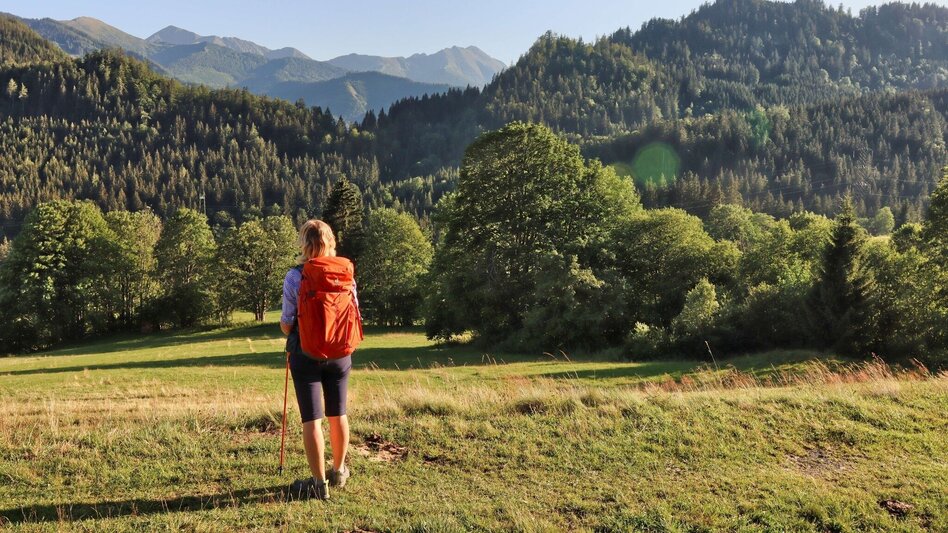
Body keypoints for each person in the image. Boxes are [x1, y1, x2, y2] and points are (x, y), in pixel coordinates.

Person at [280, 219, 355, 500]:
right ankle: (339, 471)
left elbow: (288, 323)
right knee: (338, 412)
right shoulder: (346, 272)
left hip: (306, 353)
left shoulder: (295, 276)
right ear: (331, 241)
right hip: (340, 353)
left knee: (312, 419)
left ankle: (318, 483)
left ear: (304, 243)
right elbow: (354, 311)